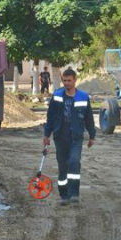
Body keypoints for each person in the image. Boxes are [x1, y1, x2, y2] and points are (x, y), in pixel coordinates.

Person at [43, 69, 96, 206]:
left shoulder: (83, 97)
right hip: (60, 136)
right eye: (64, 80)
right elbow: (50, 117)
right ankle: (64, 195)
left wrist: (92, 135)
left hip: (76, 137)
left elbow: (88, 118)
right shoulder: (57, 96)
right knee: (63, 167)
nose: (66, 83)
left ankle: (74, 194)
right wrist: (46, 135)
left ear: (75, 80)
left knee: (74, 162)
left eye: (69, 80)